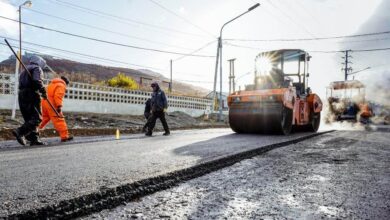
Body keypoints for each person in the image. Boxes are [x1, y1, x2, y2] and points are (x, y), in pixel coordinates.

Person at [12, 55, 47, 146]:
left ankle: (34, 139)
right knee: (37, 118)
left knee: (29, 118)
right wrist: (43, 91)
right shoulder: (37, 68)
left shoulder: (24, 70)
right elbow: (37, 81)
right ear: (40, 62)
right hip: (32, 94)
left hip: (22, 94)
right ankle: (20, 131)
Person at [39, 76, 74, 142]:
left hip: (44, 102)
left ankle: (32, 133)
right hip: (52, 104)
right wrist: (59, 106)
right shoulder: (61, 85)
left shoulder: (51, 84)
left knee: (43, 119)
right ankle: (64, 136)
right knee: (59, 119)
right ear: (65, 83)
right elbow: (58, 96)